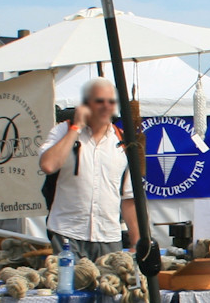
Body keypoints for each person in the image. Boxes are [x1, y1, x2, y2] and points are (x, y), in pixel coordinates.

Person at [39, 78, 139, 259]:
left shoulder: (122, 140)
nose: (105, 107)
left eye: (110, 101)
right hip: (67, 234)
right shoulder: (63, 131)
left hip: (108, 235)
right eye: (99, 101)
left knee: (110, 285)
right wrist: (76, 128)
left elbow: (129, 197)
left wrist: (137, 241)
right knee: (69, 285)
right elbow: (48, 165)